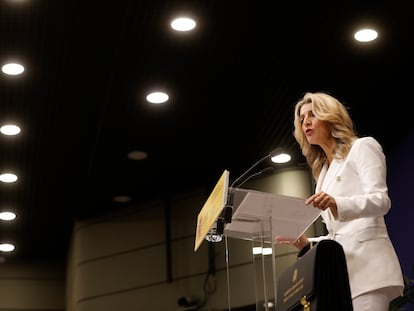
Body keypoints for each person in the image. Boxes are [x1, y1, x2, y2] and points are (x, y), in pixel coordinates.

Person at [276, 91, 404, 311]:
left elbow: (381, 201)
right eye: (302, 118)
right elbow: (337, 234)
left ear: (330, 117)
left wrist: (337, 203)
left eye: (312, 115)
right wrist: (308, 243)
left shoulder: (362, 147)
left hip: (369, 270)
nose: (305, 122)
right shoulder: (323, 175)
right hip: (342, 278)